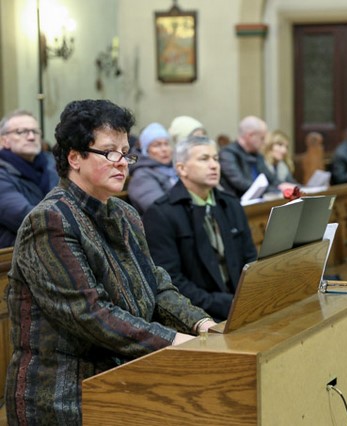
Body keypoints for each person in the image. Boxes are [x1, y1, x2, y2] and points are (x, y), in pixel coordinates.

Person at [4, 99, 215, 425]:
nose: (122, 163)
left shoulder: (125, 213)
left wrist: (202, 324)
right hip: (61, 393)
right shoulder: (50, 220)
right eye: (109, 152)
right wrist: (173, 340)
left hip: (122, 372)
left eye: (126, 152)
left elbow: (157, 285)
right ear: (74, 157)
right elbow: (91, 314)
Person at [143, 135, 257, 321]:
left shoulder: (231, 204)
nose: (214, 165)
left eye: (216, 159)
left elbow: (250, 258)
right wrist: (223, 304)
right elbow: (171, 280)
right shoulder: (161, 213)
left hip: (241, 304)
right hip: (197, 315)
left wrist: (248, 297)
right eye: (204, 159)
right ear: (182, 168)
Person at [0, 109, 59, 248]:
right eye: (22, 132)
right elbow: (25, 217)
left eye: (35, 131)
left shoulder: (53, 164)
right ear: (4, 140)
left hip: (53, 244)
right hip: (15, 252)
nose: (31, 137)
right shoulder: (2, 172)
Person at [219, 115, 296, 198]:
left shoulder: (257, 154)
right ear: (250, 136)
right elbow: (241, 184)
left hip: (258, 201)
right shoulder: (227, 154)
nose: (264, 142)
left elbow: (270, 178)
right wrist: (274, 189)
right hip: (237, 201)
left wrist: (283, 186)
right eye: (262, 138)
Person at [128, 122, 179, 213]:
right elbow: (160, 210)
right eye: (157, 145)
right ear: (146, 151)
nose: (164, 149)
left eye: (166, 144)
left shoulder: (175, 169)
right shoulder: (142, 177)